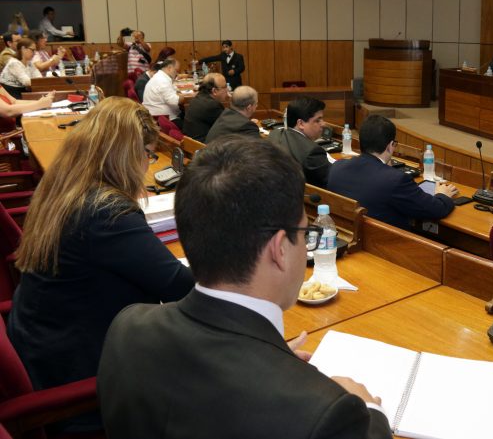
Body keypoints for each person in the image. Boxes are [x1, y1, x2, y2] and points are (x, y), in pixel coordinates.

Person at [97, 137, 391, 439]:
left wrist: (269, 356)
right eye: (305, 232)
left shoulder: (126, 328)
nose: (305, 245)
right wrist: (370, 410)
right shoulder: (325, 414)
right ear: (279, 249)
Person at [8, 97, 194, 432]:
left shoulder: (62, 186)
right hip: (78, 374)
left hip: (46, 343)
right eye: (148, 154)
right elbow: (180, 287)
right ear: (126, 155)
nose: (147, 164)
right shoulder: (106, 212)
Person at [328, 115, 458, 229]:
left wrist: (386, 170)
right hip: (385, 244)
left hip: (347, 235)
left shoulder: (337, 167)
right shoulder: (396, 180)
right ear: (390, 145)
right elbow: (435, 210)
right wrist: (443, 195)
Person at [268, 97, 332, 188]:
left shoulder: (275, 133)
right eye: (317, 120)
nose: (323, 124)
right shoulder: (313, 153)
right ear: (301, 123)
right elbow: (332, 180)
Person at [142, 57, 189, 127]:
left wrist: (181, 95)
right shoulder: (162, 80)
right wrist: (187, 96)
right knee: (191, 124)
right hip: (162, 118)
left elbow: (174, 90)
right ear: (169, 68)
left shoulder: (162, 77)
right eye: (176, 70)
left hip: (161, 115)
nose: (177, 73)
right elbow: (174, 101)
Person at [183, 73, 228, 141]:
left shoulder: (199, 97)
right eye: (225, 87)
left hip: (192, 142)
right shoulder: (212, 105)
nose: (227, 90)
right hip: (203, 144)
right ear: (214, 91)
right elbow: (229, 125)